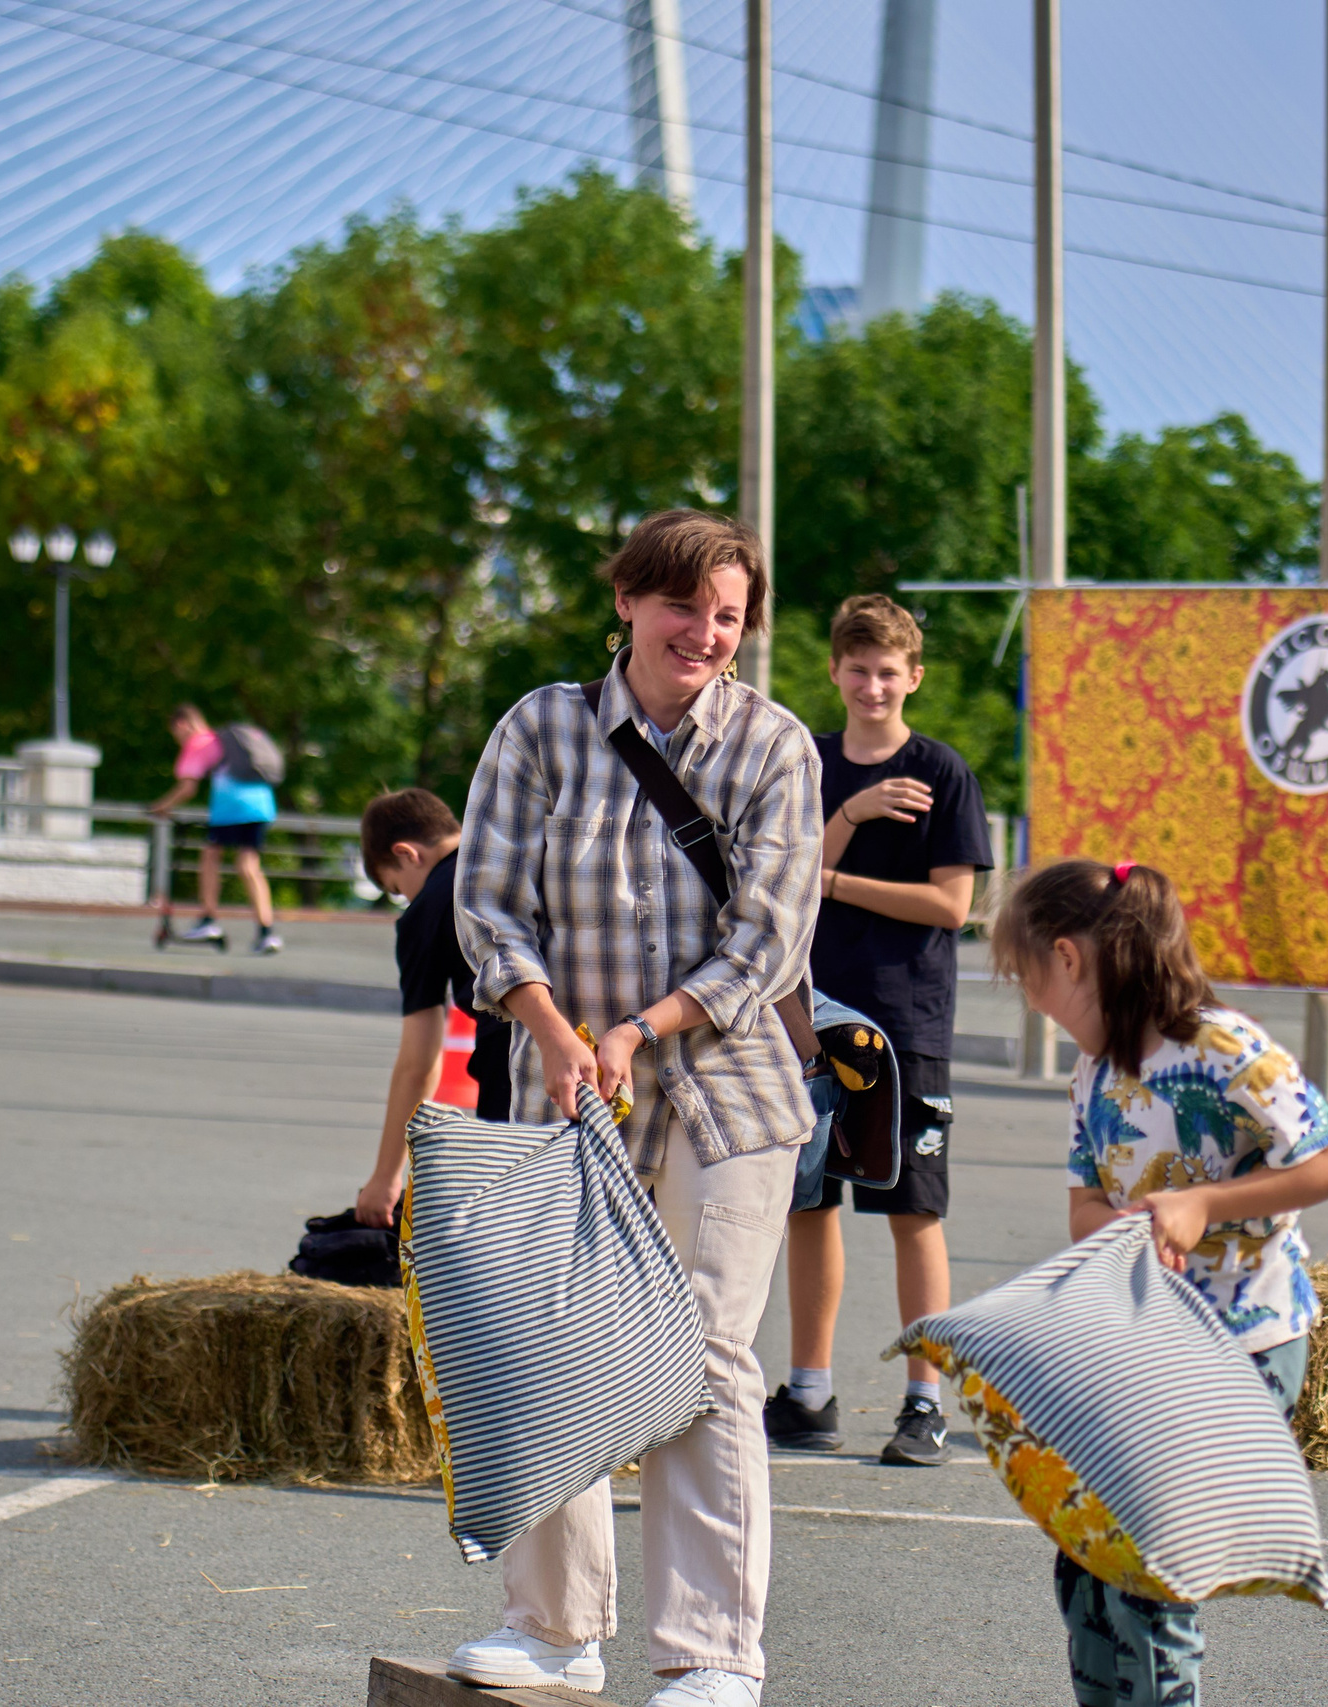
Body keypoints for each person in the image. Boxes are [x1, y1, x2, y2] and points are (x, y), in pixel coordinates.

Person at [447, 510, 822, 1707]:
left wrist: (640, 1029)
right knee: (548, 1351)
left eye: (727, 615)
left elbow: (768, 938)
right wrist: (556, 1030)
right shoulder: (540, 728)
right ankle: (556, 1633)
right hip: (561, 1092)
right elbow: (486, 905)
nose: (705, 633)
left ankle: (712, 1657)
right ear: (626, 601)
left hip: (726, 1096)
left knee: (704, 1358)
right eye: (683, 607)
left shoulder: (775, 744)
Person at [994, 857, 1328, 1707]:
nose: (1034, 1004)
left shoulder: (1224, 1046)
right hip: (1144, 1352)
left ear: (1069, 958)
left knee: (1150, 1568)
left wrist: (1204, 1202)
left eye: (1028, 980)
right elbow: (1086, 1207)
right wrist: (1136, 1226)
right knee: (1090, 1566)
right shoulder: (1093, 1072)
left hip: (1243, 1345)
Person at [765, 594, 990, 1468]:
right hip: (809, 1016)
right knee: (807, 1204)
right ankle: (810, 1392)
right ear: (834, 671)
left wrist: (840, 880)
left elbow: (952, 905)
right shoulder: (807, 762)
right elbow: (789, 876)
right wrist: (851, 818)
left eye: (888, 671)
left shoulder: (944, 771)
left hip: (906, 1021)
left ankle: (923, 1401)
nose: (871, 685)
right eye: (857, 669)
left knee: (912, 1210)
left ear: (914, 678)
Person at [353, 787, 513, 1228]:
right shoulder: (514, 857)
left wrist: (386, 1178)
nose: (405, 899)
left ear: (406, 854)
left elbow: (417, 1064)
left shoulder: (427, 910)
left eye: (396, 888)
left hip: (515, 1073)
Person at [148, 704, 282, 955]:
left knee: (210, 856)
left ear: (182, 725)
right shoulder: (227, 742)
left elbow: (188, 788)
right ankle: (267, 932)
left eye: (176, 734)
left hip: (231, 807)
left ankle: (209, 919)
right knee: (248, 866)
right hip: (262, 805)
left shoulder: (200, 744)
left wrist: (161, 807)